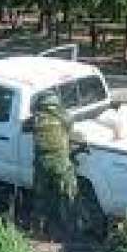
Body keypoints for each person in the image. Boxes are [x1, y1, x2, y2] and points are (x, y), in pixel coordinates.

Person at [32, 92, 78, 234]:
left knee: (41, 197)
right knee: (68, 195)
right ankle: (69, 228)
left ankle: (39, 227)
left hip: (42, 164)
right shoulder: (64, 116)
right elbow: (72, 133)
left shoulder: (36, 118)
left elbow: (25, 127)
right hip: (61, 164)